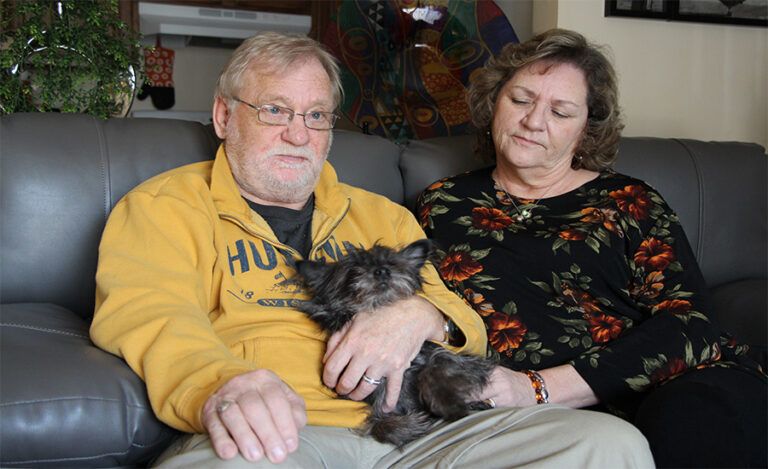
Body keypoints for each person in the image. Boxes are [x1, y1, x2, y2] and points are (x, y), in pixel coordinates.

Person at [91, 31, 655, 468]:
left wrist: (420, 312)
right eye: (274, 110)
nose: (297, 133)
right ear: (222, 116)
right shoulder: (164, 207)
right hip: (289, 436)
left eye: (315, 116)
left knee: (607, 443)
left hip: (430, 435)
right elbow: (150, 315)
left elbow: (469, 326)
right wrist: (220, 383)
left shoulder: (380, 214)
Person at [417, 28, 767, 469]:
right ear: (494, 104)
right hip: (542, 423)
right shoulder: (443, 203)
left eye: (560, 112)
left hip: (677, 385)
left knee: (693, 427)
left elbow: (689, 323)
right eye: (521, 100)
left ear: (585, 131)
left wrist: (538, 388)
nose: (533, 121)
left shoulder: (629, 202)